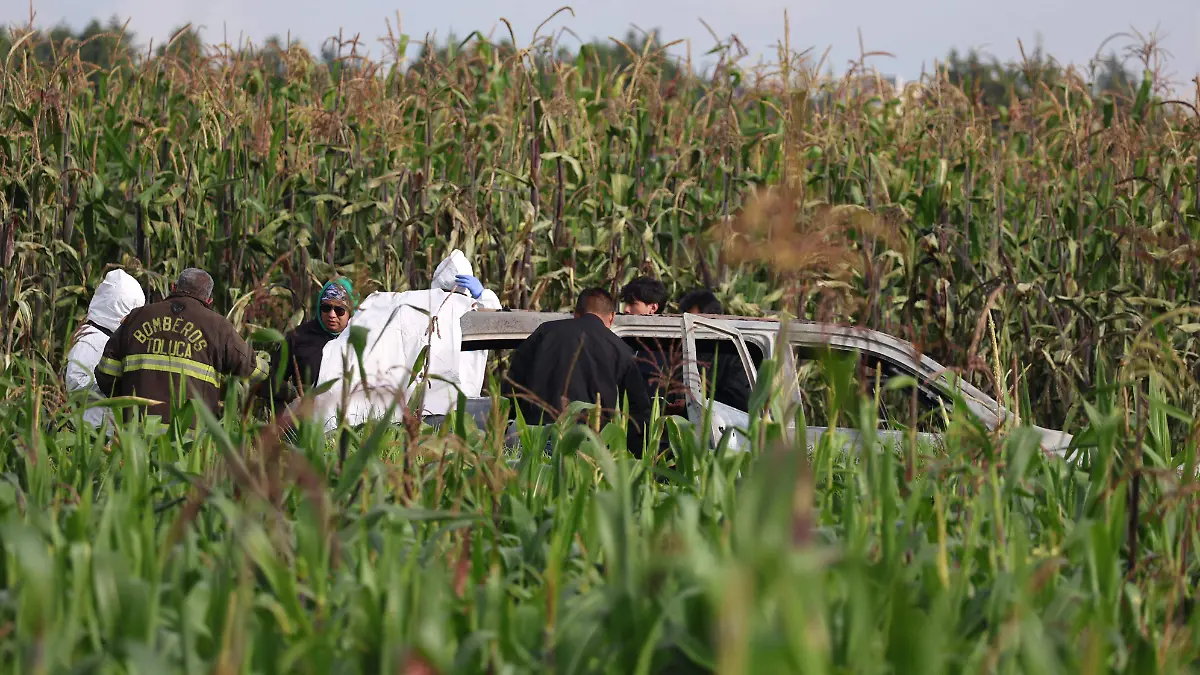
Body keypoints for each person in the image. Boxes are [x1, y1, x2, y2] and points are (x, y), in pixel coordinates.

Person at [313, 250, 501, 431]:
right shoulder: (467, 307)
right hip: (448, 409)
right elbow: (497, 320)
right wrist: (485, 295)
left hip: (401, 407)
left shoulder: (408, 301)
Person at [95, 268, 268, 426]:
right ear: (209, 300)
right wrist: (288, 389)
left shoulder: (136, 317)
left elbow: (106, 374)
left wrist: (129, 400)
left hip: (137, 437)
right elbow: (253, 370)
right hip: (187, 443)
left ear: (173, 287)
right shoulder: (218, 327)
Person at [503, 287, 652, 456]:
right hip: (586, 445)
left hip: (533, 437)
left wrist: (505, 430)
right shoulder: (622, 351)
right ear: (611, 317)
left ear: (576, 313)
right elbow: (638, 411)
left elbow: (512, 385)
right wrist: (637, 458)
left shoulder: (545, 332)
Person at [65, 269, 146, 429]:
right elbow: (74, 382)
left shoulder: (109, 338)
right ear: (118, 308)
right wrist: (114, 385)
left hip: (105, 428)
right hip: (92, 428)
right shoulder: (91, 337)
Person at [264, 278, 355, 408]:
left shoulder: (359, 341)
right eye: (326, 308)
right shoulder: (298, 337)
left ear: (350, 311)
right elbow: (275, 383)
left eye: (339, 310)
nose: (331, 315)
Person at [677, 288, 752, 411]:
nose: (688, 327)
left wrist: (692, 405)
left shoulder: (732, 355)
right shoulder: (681, 349)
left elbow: (738, 401)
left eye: (691, 321)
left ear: (711, 318)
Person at [620, 275, 674, 402]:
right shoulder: (623, 338)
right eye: (626, 304)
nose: (626, 310)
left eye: (633, 304)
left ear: (653, 308)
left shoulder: (669, 345)